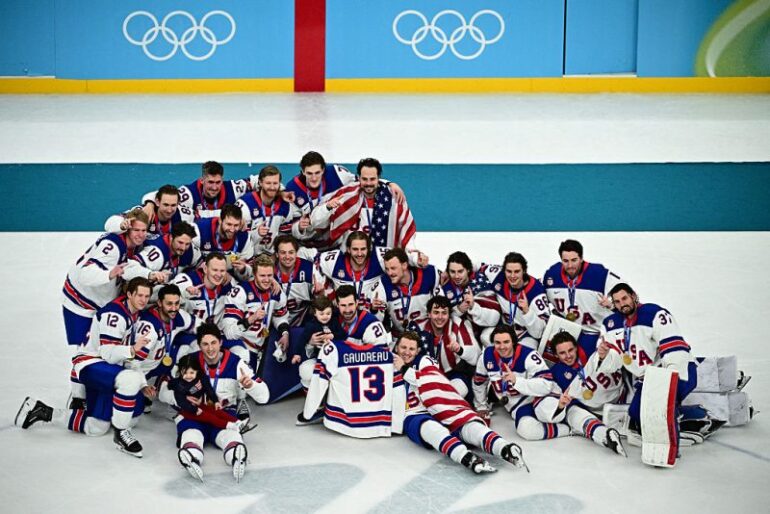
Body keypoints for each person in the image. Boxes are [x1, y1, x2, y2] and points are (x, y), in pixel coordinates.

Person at [18, 278, 155, 457]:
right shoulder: (115, 314)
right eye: (140, 295)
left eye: (147, 296)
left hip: (108, 370)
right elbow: (108, 354)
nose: (143, 300)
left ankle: (42, 411)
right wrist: (131, 350)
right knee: (130, 380)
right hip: (91, 363)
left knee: (97, 427)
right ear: (129, 294)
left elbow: (122, 359)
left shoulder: (133, 313)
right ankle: (120, 434)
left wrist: (143, 383)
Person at [394, 332, 527, 473]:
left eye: (411, 349)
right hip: (413, 413)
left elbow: (427, 378)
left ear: (418, 350)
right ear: (396, 347)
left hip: (438, 405)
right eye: (403, 347)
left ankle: (503, 447)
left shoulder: (424, 361)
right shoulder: (386, 364)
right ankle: (465, 456)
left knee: (469, 426)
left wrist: (402, 368)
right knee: (431, 429)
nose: (407, 352)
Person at [600, 283, 717, 442]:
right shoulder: (612, 326)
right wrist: (604, 356)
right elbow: (612, 364)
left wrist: (669, 378)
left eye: (625, 298)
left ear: (633, 296)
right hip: (649, 379)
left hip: (677, 372)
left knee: (657, 412)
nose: (622, 304)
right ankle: (693, 413)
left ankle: (698, 418)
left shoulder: (654, 314)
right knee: (636, 414)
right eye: (618, 302)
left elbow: (673, 347)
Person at [158, 323, 269, 482]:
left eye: (214, 343)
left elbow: (264, 396)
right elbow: (164, 389)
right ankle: (192, 456)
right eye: (205, 344)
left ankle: (236, 455)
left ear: (221, 342)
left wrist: (251, 386)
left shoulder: (236, 364)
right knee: (191, 434)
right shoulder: (189, 362)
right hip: (193, 414)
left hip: (223, 414)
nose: (210, 348)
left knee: (231, 436)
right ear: (199, 345)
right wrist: (178, 398)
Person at [62, 208, 149, 347]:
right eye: (136, 230)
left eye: (144, 230)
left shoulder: (134, 244)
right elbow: (85, 274)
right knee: (82, 352)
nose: (141, 234)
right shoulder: (113, 246)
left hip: (101, 302)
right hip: (80, 302)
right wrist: (108, 274)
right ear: (128, 229)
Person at [535, 332, 627, 457]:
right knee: (571, 410)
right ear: (556, 355)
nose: (568, 356)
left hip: (623, 396)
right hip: (598, 411)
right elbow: (570, 400)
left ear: (576, 347)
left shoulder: (591, 348)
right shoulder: (556, 372)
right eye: (562, 353)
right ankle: (603, 434)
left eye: (570, 350)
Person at [472, 325, 569, 440]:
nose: (502, 347)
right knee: (527, 431)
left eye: (506, 342)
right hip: (519, 407)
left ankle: (570, 417)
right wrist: (481, 405)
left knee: (548, 415)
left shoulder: (528, 355)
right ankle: (568, 429)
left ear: (513, 341)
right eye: (498, 342)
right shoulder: (486, 356)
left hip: (540, 398)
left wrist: (516, 381)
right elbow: (479, 382)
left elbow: (546, 385)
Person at [294, 151, 405, 249]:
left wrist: (388, 183)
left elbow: (365, 180)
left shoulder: (338, 174)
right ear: (303, 172)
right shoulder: (293, 190)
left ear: (323, 169)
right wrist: (299, 226)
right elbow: (290, 225)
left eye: (317, 172)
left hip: (332, 238)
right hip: (309, 238)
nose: (314, 178)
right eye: (309, 173)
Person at [543, 239, 622, 355]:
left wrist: (612, 304)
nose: (570, 266)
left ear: (581, 258)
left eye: (574, 260)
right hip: (571, 332)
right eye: (565, 261)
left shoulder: (599, 274)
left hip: (597, 332)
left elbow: (630, 296)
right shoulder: (552, 275)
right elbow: (537, 291)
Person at [320, 157, 416, 250]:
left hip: (382, 260)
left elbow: (407, 232)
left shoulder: (393, 199)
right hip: (349, 259)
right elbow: (319, 213)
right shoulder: (345, 194)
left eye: (372, 179)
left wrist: (414, 257)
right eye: (365, 179)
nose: (368, 183)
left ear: (379, 178)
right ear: (359, 178)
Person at [316, 231, 426, 311]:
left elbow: (400, 257)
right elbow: (313, 261)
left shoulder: (379, 257)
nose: (359, 254)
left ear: (369, 249)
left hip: (371, 315)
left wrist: (416, 260)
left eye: (363, 249)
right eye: (355, 249)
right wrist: (322, 286)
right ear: (348, 249)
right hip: (343, 315)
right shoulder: (334, 261)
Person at [222, 254, 290, 370]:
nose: (267, 280)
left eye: (270, 275)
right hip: (239, 344)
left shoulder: (276, 292)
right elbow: (229, 333)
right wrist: (251, 319)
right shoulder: (240, 292)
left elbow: (280, 316)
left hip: (259, 346)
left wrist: (285, 334)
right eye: (262, 275)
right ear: (254, 274)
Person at [235, 165, 311, 255]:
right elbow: (235, 237)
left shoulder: (285, 206)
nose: (272, 187)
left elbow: (286, 234)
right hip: (248, 258)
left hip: (271, 257)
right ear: (260, 182)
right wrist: (256, 233)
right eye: (268, 183)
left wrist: (298, 227)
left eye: (275, 183)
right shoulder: (245, 205)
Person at [413, 296, 480, 397]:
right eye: (436, 312)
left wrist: (460, 349)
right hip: (425, 375)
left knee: (455, 393)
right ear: (429, 314)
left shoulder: (457, 325)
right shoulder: (418, 327)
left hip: (453, 373)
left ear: (449, 315)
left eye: (444, 313)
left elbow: (476, 356)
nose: (440, 317)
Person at [483, 252, 551, 349]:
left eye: (517, 271)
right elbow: (479, 266)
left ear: (524, 271)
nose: (512, 276)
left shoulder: (536, 292)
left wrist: (527, 312)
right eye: (509, 271)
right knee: (485, 336)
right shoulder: (497, 275)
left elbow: (539, 333)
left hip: (526, 335)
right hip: (503, 329)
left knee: (526, 350)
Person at [143, 161, 250, 219]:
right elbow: (162, 195)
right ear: (202, 180)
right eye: (210, 182)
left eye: (218, 182)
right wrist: (150, 204)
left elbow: (257, 180)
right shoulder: (188, 194)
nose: (214, 187)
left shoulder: (232, 188)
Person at [371, 247, 441, 334]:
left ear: (404, 265)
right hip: (400, 340)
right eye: (387, 269)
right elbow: (375, 322)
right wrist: (374, 310)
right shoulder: (383, 284)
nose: (389, 273)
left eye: (393, 268)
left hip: (428, 336)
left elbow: (444, 305)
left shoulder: (430, 273)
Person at [167, 354, 244, 432]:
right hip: (188, 410)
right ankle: (231, 426)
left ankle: (237, 422)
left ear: (197, 371)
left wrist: (216, 401)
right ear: (180, 371)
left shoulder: (201, 378)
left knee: (217, 412)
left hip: (200, 405)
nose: (188, 376)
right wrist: (194, 410)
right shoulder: (179, 385)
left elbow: (209, 390)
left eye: (191, 372)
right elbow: (181, 402)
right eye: (185, 373)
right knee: (210, 417)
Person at [442, 251, 500, 345]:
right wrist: (458, 310)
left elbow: (495, 318)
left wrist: (474, 307)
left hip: (488, 326)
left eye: (460, 271)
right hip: (468, 330)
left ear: (468, 269)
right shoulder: (445, 286)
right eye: (452, 272)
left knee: (487, 337)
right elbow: (442, 317)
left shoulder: (480, 282)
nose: (456, 276)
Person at [292, 295, 346, 392]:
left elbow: (343, 335)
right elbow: (302, 339)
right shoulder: (311, 325)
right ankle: (311, 391)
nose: (325, 316)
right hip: (318, 357)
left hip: (334, 358)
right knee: (306, 370)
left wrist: (333, 336)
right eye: (321, 314)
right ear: (315, 313)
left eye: (328, 313)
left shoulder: (334, 322)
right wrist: (297, 354)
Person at [105, 184, 194, 240]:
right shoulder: (143, 212)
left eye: (173, 205)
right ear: (157, 202)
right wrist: (121, 224)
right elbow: (108, 224)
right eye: (166, 205)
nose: (169, 210)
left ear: (178, 203)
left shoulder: (185, 215)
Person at [123, 221, 199, 286]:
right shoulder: (157, 253)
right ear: (171, 237)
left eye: (187, 244)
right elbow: (127, 268)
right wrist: (151, 275)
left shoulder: (190, 250)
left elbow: (202, 267)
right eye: (180, 242)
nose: (183, 248)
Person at [171, 252, 234, 328]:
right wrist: (186, 291)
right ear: (205, 269)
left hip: (213, 333)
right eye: (215, 270)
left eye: (222, 271)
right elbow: (173, 290)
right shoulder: (189, 279)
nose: (219, 274)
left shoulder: (229, 286)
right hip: (187, 332)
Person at [193, 204, 254, 281]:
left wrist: (243, 269)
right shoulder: (200, 230)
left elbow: (249, 275)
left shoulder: (244, 237)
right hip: (200, 277)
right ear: (220, 220)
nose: (232, 229)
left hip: (227, 281)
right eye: (229, 224)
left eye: (236, 225)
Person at [273, 234, 322, 327]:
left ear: (296, 253)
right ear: (276, 254)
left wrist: (319, 293)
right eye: (283, 252)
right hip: (276, 322)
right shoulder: (269, 272)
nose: (287, 256)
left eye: (291, 252)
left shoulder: (309, 268)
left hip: (304, 321)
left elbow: (320, 300)